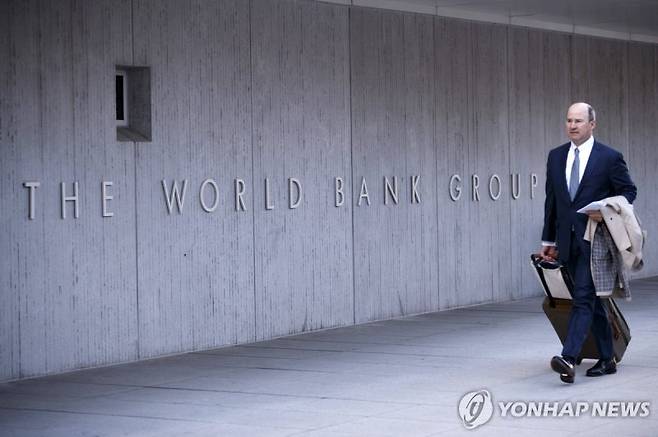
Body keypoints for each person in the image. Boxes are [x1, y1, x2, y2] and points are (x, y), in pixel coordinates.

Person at [540, 102, 637, 384]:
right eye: (569, 120)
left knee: (583, 297)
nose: (572, 125)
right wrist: (548, 240)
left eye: (579, 121)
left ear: (592, 124)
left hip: (596, 241)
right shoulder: (556, 157)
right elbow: (552, 202)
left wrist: (606, 207)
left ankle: (568, 357)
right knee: (591, 302)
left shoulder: (609, 157)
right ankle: (607, 358)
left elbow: (628, 192)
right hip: (567, 242)